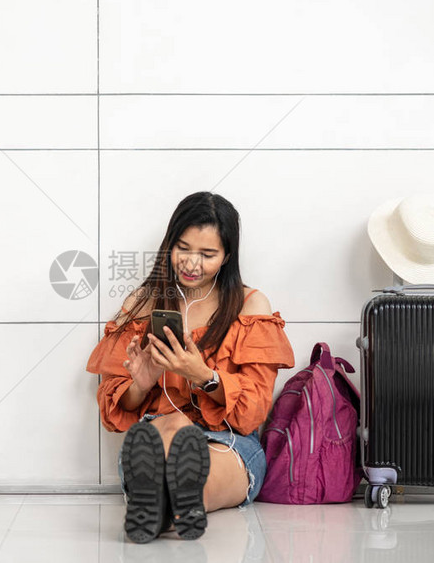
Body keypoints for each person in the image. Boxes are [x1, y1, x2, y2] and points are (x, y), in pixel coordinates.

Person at [86, 191, 295, 543]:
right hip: (158, 432)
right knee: (171, 423)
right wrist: (140, 383)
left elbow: (252, 413)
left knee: (194, 453)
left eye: (208, 254)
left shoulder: (249, 304)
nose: (192, 264)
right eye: (183, 248)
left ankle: (163, 507)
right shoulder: (143, 302)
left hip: (229, 441)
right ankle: (166, 506)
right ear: (169, 244)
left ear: (228, 256)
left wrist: (203, 376)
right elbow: (115, 406)